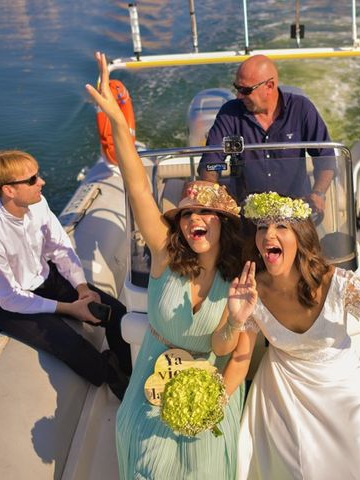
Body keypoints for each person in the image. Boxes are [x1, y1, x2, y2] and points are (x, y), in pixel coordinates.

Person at [86, 52, 250, 480]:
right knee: (149, 466)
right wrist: (117, 122)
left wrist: (233, 321)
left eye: (206, 213)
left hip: (213, 388)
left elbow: (229, 352)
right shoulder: (164, 252)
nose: (195, 218)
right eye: (187, 212)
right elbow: (137, 183)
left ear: (223, 223)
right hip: (153, 383)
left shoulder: (239, 274)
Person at [212, 193, 360, 480]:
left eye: (281, 226)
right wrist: (212, 404)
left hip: (343, 394)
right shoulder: (251, 290)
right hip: (283, 394)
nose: (269, 234)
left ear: (300, 237)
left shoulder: (339, 284)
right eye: (262, 227)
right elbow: (239, 361)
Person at [0, 150, 132, 400]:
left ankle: (130, 368)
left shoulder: (38, 204)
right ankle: (110, 373)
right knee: (70, 345)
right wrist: (70, 308)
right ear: (8, 190)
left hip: (46, 278)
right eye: (32, 179)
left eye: (38, 175)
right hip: (8, 303)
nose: (41, 182)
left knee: (116, 312)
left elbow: (59, 248)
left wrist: (82, 288)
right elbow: (9, 297)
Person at [198, 54, 335, 211]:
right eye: (237, 88)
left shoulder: (301, 109)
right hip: (245, 212)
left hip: (295, 210)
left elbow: (326, 158)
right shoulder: (230, 113)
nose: (239, 96)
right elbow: (212, 161)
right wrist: (212, 190)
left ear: (269, 86)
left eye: (245, 90)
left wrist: (318, 193)